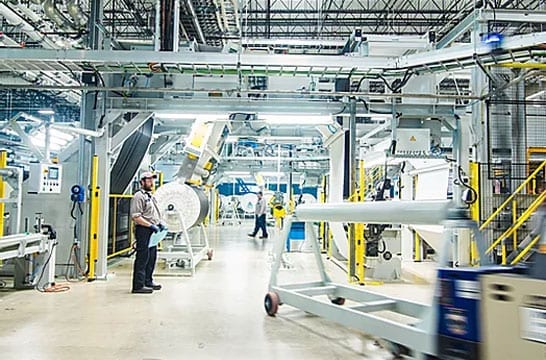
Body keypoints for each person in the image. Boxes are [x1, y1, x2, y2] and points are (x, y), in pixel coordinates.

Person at [130, 172, 165, 294]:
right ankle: (138, 285)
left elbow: (153, 213)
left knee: (152, 257)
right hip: (144, 230)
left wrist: (159, 223)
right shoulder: (138, 196)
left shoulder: (150, 196)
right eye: (148, 180)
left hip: (153, 230)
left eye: (152, 180)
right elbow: (136, 216)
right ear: (142, 182)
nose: (151, 182)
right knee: (142, 257)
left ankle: (148, 281)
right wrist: (150, 225)